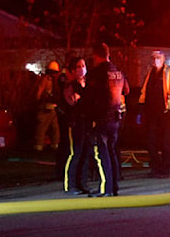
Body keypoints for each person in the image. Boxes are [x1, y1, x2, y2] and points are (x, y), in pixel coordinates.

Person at [83, 43, 128, 197]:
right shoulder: (118, 71)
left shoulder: (97, 73)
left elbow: (89, 97)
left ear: (96, 55)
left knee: (102, 154)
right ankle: (113, 186)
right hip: (116, 118)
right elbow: (126, 90)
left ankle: (106, 188)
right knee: (112, 152)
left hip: (101, 118)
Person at [137, 50, 170, 178]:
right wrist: (141, 111)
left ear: (163, 59)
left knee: (165, 144)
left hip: (166, 114)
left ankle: (164, 170)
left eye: (158, 57)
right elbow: (144, 93)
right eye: (153, 58)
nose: (155, 60)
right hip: (152, 115)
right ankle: (155, 168)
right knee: (151, 143)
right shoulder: (150, 73)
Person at [58, 56, 91, 195]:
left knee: (85, 154)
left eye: (83, 65)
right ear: (73, 69)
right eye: (79, 66)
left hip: (87, 123)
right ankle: (71, 184)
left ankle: (82, 183)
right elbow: (71, 102)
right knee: (76, 153)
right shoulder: (69, 85)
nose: (82, 69)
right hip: (75, 123)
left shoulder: (88, 84)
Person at [33, 60, 61, 152]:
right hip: (45, 107)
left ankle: (54, 145)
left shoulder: (50, 79)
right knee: (44, 128)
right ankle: (39, 146)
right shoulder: (46, 79)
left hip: (51, 107)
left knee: (53, 128)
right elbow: (39, 92)